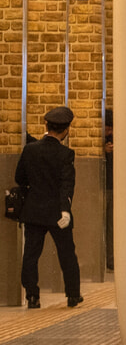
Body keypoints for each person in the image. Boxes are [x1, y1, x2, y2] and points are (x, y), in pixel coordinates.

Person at [16, 106, 80, 309]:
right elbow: (66, 184)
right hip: (57, 213)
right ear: (66, 130)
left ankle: (32, 296)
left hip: (33, 211)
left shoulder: (30, 149)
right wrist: (65, 210)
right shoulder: (66, 154)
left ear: (46, 125)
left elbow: (20, 178)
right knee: (67, 253)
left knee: (31, 254)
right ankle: (72, 295)